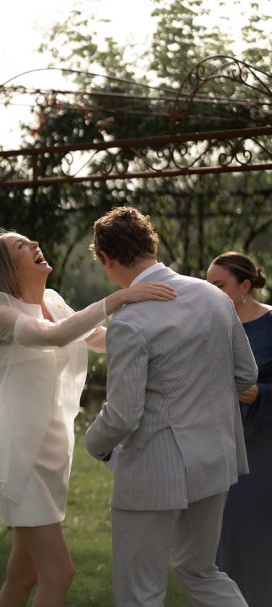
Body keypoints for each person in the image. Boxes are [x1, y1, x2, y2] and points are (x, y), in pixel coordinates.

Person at [0, 229, 177, 607]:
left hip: (52, 452)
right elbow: (53, 336)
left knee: (23, 574)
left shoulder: (53, 299)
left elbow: (94, 337)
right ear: (6, 268)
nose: (35, 245)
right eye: (21, 246)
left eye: (34, 241)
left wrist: (158, 337)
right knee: (58, 574)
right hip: (21, 456)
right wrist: (121, 296)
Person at [85, 206, 258, 607]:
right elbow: (245, 374)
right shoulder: (215, 296)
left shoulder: (129, 321)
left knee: (139, 592)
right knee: (201, 572)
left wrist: (95, 443)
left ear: (107, 260)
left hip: (153, 472)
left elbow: (123, 414)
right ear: (152, 243)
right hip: (215, 460)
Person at [207, 251, 272, 607]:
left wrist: (260, 394)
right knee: (222, 541)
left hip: (263, 452)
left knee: (258, 538)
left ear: (245, 286)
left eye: (219, 285)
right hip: (219, 450)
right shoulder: (212, 327)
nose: (211, 293)